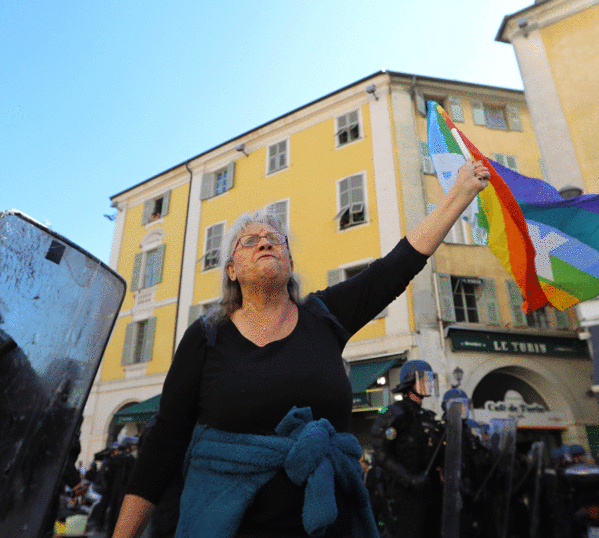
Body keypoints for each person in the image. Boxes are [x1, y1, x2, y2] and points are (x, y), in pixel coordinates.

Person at [111, 159, 491, 538]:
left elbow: (396, 266)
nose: (264, 241)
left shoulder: (324, 317)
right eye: (249, 240)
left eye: (275, 239)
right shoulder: (206, 336)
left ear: (290, 262)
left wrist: (459, 195)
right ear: (231, 270)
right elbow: (165, 442)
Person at [370, 360, 445, 538]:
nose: (428, 384)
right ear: (410, 382)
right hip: (405, 495)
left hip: (431, 492)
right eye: (423, 379)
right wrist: (409, 479)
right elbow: (381, 454)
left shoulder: (429, 417)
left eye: (429, 380)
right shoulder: (393, 412)